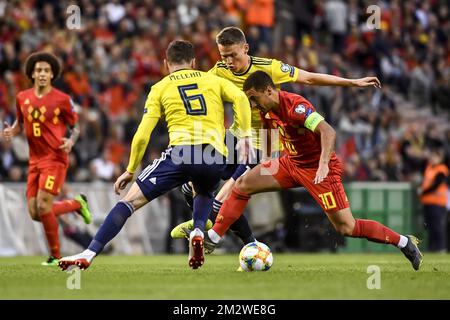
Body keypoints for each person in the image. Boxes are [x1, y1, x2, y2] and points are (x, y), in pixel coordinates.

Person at [171, 26, 381, 250]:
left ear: (246, 48)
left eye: (234, 55)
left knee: (232, 189)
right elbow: (198, 90)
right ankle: (214, 226)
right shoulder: (219, 71)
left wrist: (352, 82)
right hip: (236, 135)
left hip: (265, 139)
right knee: (191, 179)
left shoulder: (269, 67)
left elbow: (308, 78)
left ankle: (209, 227)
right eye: (224, 56)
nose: (230, 61)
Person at [58, 40, 252, 270]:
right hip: (214, 155)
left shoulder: (160, 87)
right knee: (204, 191)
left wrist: (130, 169)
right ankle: (199, 230)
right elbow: (240, 99)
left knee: (128, 202)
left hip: (181, 152)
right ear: (193, 62)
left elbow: (142, 134)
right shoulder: (213, 79)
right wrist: (244, 135)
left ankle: (89, 253)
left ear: (165, 64)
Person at [202, 71, 423, 271]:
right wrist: (266, 161)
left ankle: (403, 242)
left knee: (347, 227)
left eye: (253, 98)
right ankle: (213, 236)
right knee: (243, 184)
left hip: (319, 168)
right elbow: (269, 141)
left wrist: (324, 162)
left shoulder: (296, 106)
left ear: (269, 90)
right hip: (290, 163)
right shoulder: (267, 111)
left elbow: (328, 132)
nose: (251, 104)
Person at [1, 52, 92, 265]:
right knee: (35, 212)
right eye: (39, 70)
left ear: (52, 75)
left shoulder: (62, 99)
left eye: (46, 70)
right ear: (32, 74)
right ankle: (76, 204)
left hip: (55, 159)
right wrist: (12, 132)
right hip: (34, 161)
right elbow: (20, 123)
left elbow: (76, 126)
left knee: (43, 206)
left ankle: (55, 256)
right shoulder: (22, 97)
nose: (42, 73)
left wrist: (70, 141)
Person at [420, 148, 449, 252]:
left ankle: (441, 247)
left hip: (437, 203)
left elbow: (437, 184)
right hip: (428, 202)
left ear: (440, 158)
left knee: (437, 226)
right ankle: (432, 248)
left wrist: (423, 192)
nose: (432, 158)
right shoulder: (429, 168)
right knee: (430, 227)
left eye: (434, 156)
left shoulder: (441, 169)